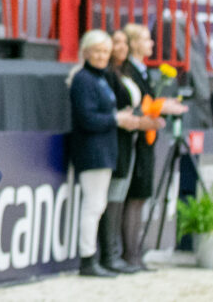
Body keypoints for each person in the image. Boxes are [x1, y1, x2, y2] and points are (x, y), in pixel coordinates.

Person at [68, 29, 144, 277]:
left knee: (98, 205)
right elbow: (87, 118)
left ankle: (94, 257)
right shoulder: (83, 80)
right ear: (86, 52)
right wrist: (116, 118)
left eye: (105, 51)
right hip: (92, 152)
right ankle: (88, 260)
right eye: (97, 51)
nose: (101, 56)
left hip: (104, 150)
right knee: (93, 206)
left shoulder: (101, 79)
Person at [119, 23, 187, 270]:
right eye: (147, 39)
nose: (152, 44)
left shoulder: (144, 71)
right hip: (134, 141)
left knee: (140, 198)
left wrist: (162, 106)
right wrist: (159, 107)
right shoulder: (127, 71)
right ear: (134, 43)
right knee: (133, 197)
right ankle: (129, 253)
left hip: (146, 140)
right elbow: (134, 105)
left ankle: (134, 252)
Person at [97, 29, 147, 274]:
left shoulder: (126, 72)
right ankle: (110, 254)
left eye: (124, 43)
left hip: (130, 139)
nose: (122, 47)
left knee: (120, 197)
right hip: (114, 139)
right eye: (116, 42)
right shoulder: (105, 74)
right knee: (112, 198)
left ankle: (119, 253)